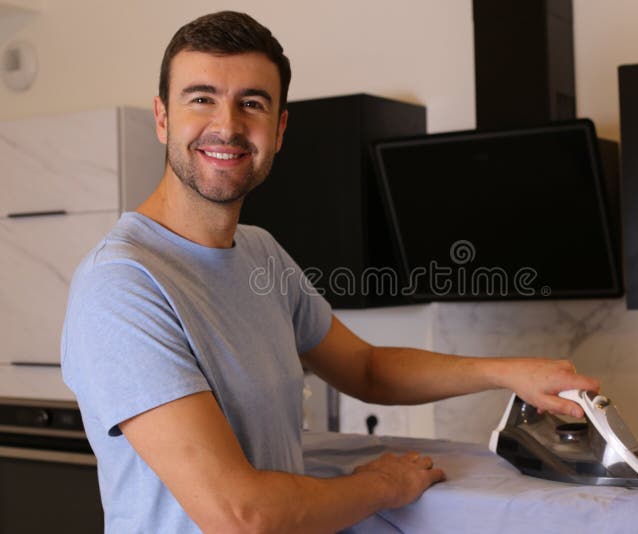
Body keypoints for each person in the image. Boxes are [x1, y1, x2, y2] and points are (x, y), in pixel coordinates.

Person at [61, 10, 600, 533]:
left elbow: (364, 369)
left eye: (252, 103)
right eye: (202, 99)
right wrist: (385, 484)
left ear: (279, 127)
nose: (227, 126)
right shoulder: (123, 284)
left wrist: (508, 371)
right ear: (162, 117)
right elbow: (239, 516)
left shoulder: (260, 253)